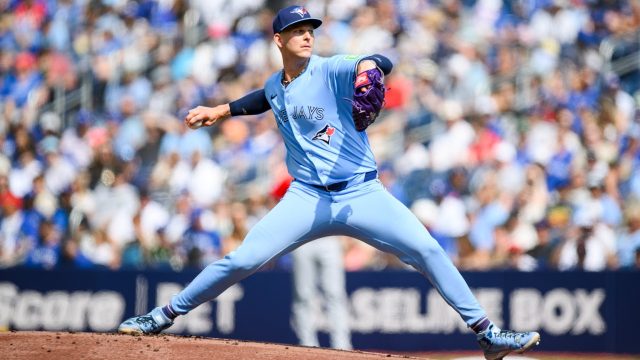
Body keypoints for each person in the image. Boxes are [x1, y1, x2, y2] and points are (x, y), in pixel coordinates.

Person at [118, 5, 540, 359]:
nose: (306, 36)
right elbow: (263, 98)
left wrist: (372, 66)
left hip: (361, 193)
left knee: (427, 248)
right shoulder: (275, 84)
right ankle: (161, 316)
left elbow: (375, 61)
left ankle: (487, 334)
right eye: (296, 31)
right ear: (278, 40)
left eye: (309, 30)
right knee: (243, 260)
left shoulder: (331, 70)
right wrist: (221, 110)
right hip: (306, 198)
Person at [291, 236, 352, 350]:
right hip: (302, 239)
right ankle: (306, 343)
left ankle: (342, 345)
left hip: (330, 238)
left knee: (335, 294)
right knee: (303, 295)